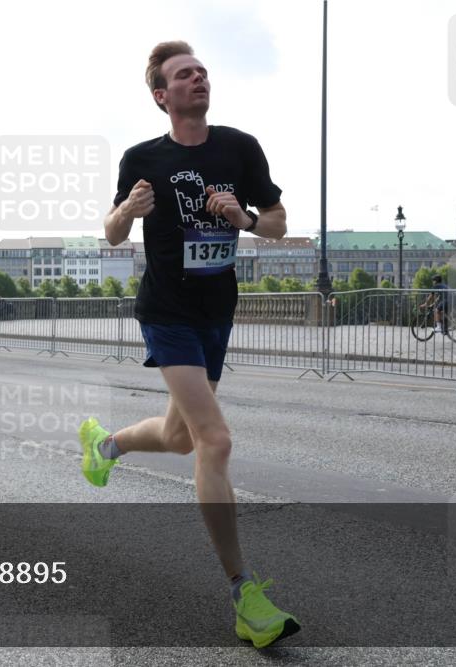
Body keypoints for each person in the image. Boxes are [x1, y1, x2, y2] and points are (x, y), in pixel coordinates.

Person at [78, 41, 299, 649]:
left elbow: (278, 221)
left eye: (202, 71)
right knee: (214, 440)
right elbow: (113, 233)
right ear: (161, 95)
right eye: (184, 74)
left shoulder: (239, 147)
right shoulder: (142, 156)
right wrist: (128, 207)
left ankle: (107, 444)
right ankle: (244, 594)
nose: (198, 78)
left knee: (180, 437)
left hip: (215, 309)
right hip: (167, 310)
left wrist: (246, 220)